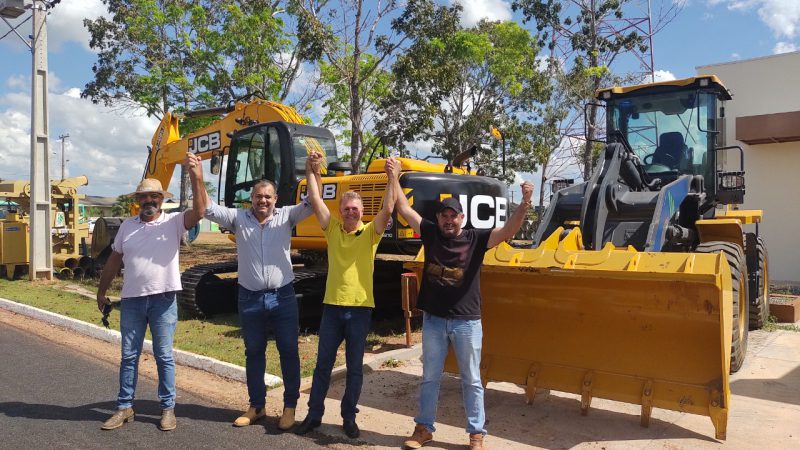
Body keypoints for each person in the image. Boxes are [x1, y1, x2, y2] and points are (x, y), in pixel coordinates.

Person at [391, 164, 534, 450]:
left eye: (454, 216)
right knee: (430, 376)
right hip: (434, 320)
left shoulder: (476, 238)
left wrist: (526, 202)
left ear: (462, 218)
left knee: (471, 379)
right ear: (438, 217)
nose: (449, 220)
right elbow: (405, 210)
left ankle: (476, 434)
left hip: (466, 322)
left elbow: (508, 231)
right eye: (444, 215)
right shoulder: (430, 233)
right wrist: (393, 177)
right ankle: (423, 429)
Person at [184, 151, 312, 430]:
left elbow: (313, 202)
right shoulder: (238, 218)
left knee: (288, 351)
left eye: (268, 196)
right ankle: (257, 406)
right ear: (251, 199)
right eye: (258, 196)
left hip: (283, 297)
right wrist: (197, 176)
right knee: (254, 352)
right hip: (250, 297)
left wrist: (313, 172)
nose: (263, 200)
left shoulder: (287, 216)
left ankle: (289, 407)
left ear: (275, 199)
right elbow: (205, 208)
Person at [294, 151, 398, 439]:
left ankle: (348, 417)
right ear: (340, 211)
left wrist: (393, 177)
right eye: (347, 209)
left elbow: (388, 209)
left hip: (360, 310)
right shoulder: (333, 230)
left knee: (354, 369)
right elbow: (315, 200)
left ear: (362, 212)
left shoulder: (370, 234)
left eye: (355, 209)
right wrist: (309, 169)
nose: (351, 212)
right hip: (332, 309)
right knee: (322, 367)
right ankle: (313, 416)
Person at [96, 174, 204, 431]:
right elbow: (114, 260)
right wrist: (101, 292)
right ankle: (124, 408)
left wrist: (196, 176)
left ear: (161, 199)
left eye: (154, 196)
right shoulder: (127, 226)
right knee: (128, 356)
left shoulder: (174, 222)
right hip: (132, 300)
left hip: (163, 300)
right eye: (144, 196)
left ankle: (167, 409)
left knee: (163, 355)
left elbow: (200, 211)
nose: (149, 200)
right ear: (137, 201)